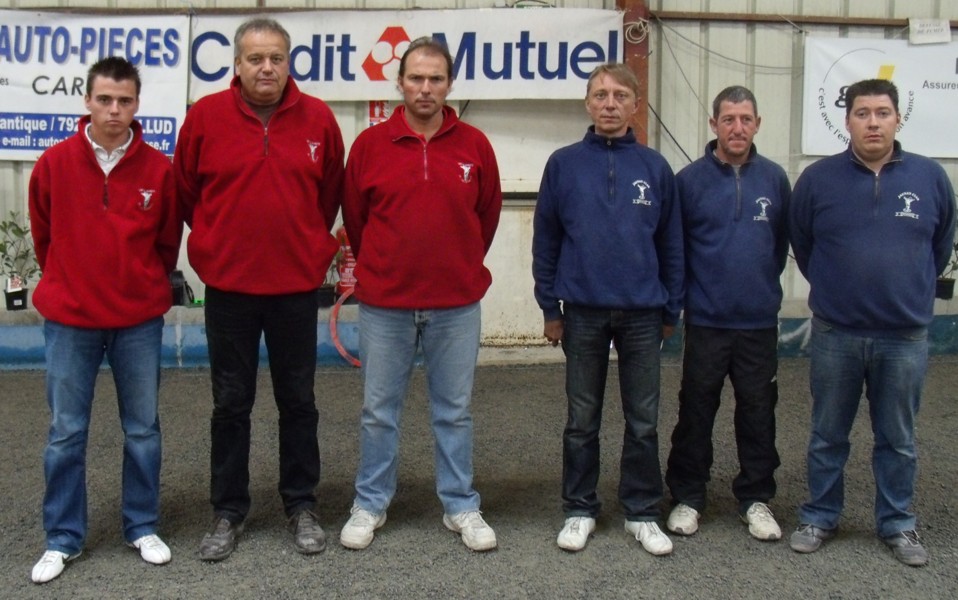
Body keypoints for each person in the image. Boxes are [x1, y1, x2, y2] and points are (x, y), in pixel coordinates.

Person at [173, 17, 345, 560]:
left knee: (299, 401)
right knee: (231, 403)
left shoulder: (318, 119)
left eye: (275, 58)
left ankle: (302, 504)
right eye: (255, 59)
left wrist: (309, 250)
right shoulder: (205, 118)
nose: (265, 68)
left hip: (295, 288)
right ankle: (227, 511)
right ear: (237, 65)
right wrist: (217, 248)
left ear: (289, 62)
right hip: (230, 289)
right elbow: (185, 195)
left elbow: (330, 197)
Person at [339, 37, 502, 552]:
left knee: (453, 411)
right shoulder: (369, 147)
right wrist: (386, 269)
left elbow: (487, 217)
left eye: (435, 78)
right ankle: (370, 502)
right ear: (400, 83)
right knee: (377, 411)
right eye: (416, 78)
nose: (425, 87)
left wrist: (457, 262)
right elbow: (357, 222)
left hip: (456, 305)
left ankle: (460, 505)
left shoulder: (474, 146)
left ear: (449, 84)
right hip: (385, 304)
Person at [788, 78, 956, 567]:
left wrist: (909, 288)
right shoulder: (819, 180)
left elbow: (940, 244)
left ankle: (898, 523)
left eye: (882, 112)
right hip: (837, 332)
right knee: (827, 433)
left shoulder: (929, 179)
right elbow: (803, 243)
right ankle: (819, 514)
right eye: (863, 113)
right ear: (848, 121)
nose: (873, 121)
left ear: (898, 118)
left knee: (898, 439)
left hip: (904, 336)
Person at [28, 57, 182, 583]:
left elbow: (165, 246)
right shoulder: (52, 164)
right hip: (71, 322)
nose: (114, 110)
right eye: (104, 99)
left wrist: (136, 287)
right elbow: (45, 239)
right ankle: (63, 537)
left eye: (125, 101)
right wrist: (72, 285)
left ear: (137, 105)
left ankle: (141, 525)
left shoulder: (160, 171)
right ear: (87, 101)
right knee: (66, 433)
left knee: (142, 429)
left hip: (138, 322)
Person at [532, 63, 684, 554]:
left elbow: (672, 245)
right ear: (588, 104)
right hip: (582, 312)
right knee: (582, 419)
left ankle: (642, 511)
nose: (610, 103)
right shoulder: (563, 164)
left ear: (636, 105)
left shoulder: (656, 169)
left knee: (643, 419)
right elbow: (547, 240)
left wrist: (670, 310)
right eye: (600, 95)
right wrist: (548, 306)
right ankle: (579, 508)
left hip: (643, 314)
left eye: (620, 95)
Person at [664, 86, 789, 542]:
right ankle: (687, 496)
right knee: (696, 410)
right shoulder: (689, 181)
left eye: (746, 119)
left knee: (758, 412)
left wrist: (756, 291)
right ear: (714, 124)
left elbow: (778, 249)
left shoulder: (774, 179)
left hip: (757, 322)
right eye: (729, 119)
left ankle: (756, 498)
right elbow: (675, 250)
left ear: (758, 124)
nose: (738, 128)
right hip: (707, 322)